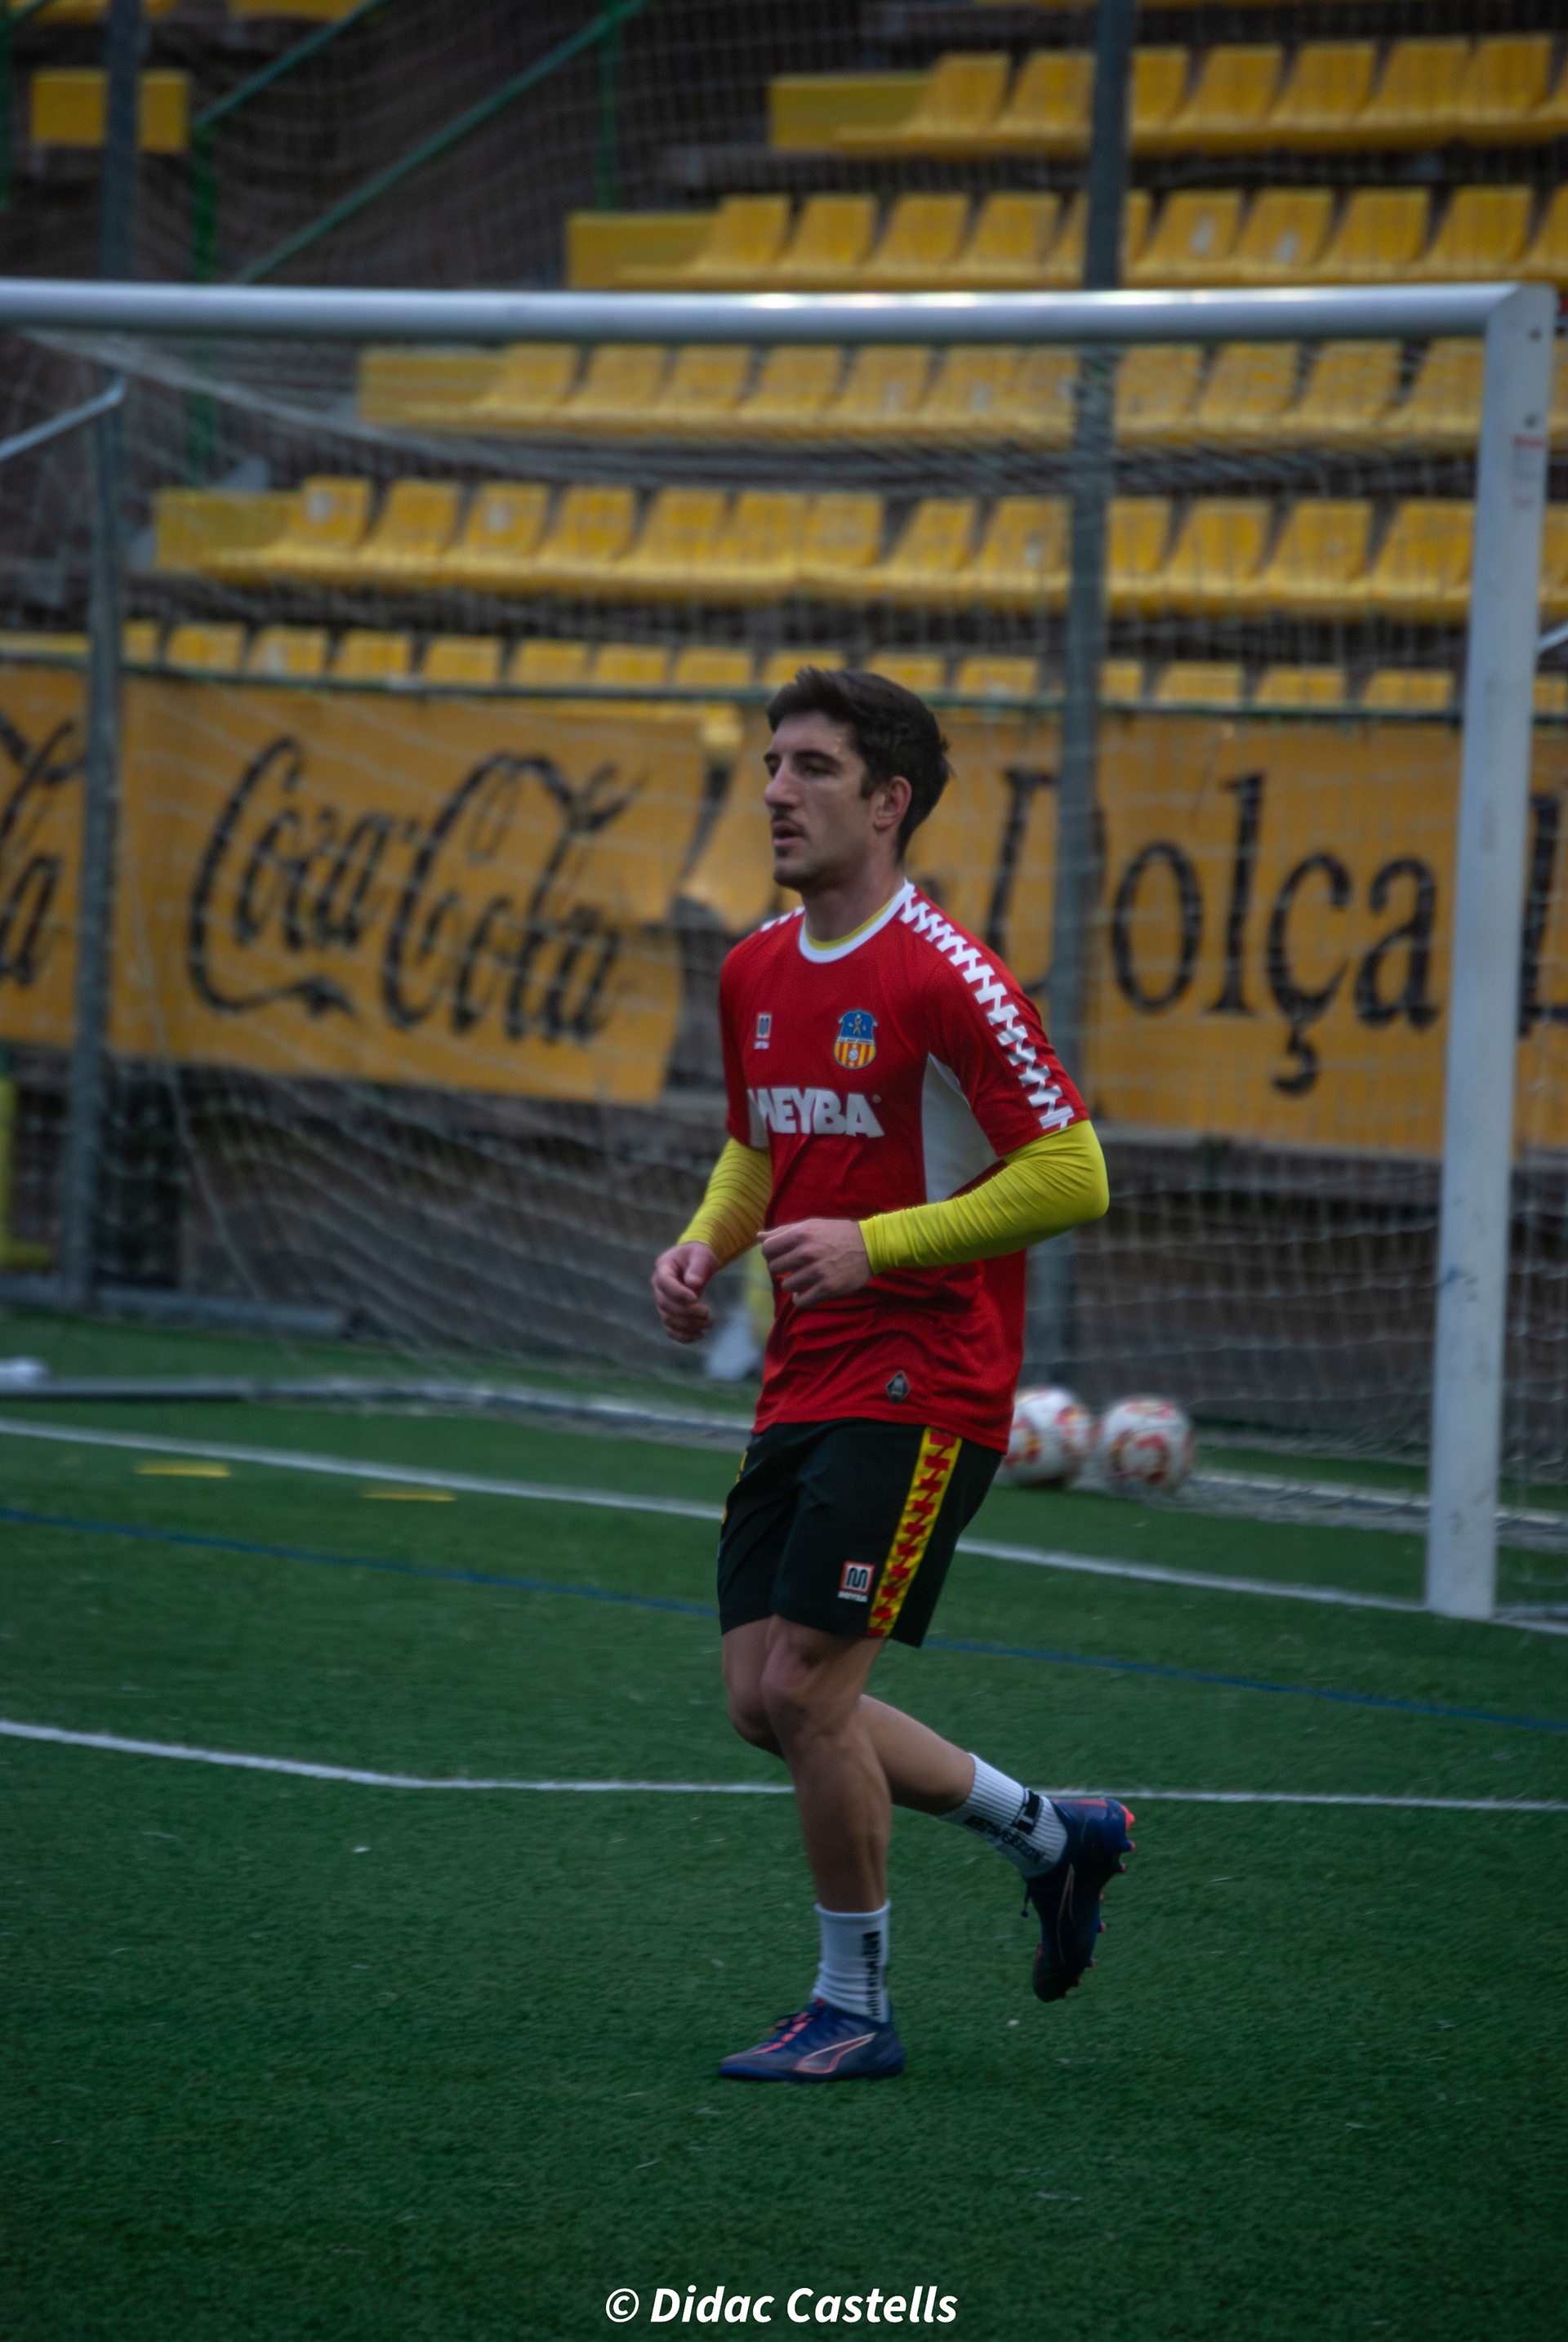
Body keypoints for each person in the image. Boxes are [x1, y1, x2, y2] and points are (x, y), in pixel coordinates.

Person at [650, 668, 1130, 2083]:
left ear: (888, 801)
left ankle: (852, 2007)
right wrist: (703, 1242)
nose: (776, 790)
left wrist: (878, 1245)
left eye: (811, 767)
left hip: (928, 1380)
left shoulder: (946, 974)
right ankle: (1053, 1834)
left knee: (808, 1691)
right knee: (765, 1701)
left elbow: (1075, 1172)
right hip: (804, 1378)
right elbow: (758, 1145)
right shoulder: (753, 968)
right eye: (772, 763)